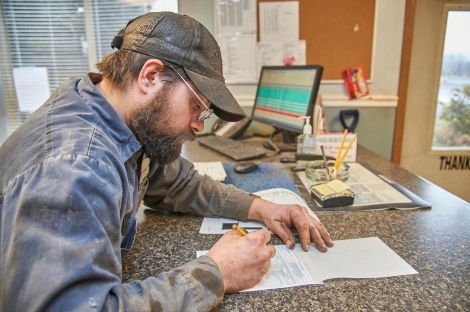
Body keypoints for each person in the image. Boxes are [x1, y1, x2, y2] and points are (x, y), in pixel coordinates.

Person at [0, 11, 333, 311]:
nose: (199, 124)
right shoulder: (75, 169)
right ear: (150, 77)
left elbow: (178, 182)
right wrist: (217, 273)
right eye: (196, 106)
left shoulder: (116, 113)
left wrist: (261, 208)